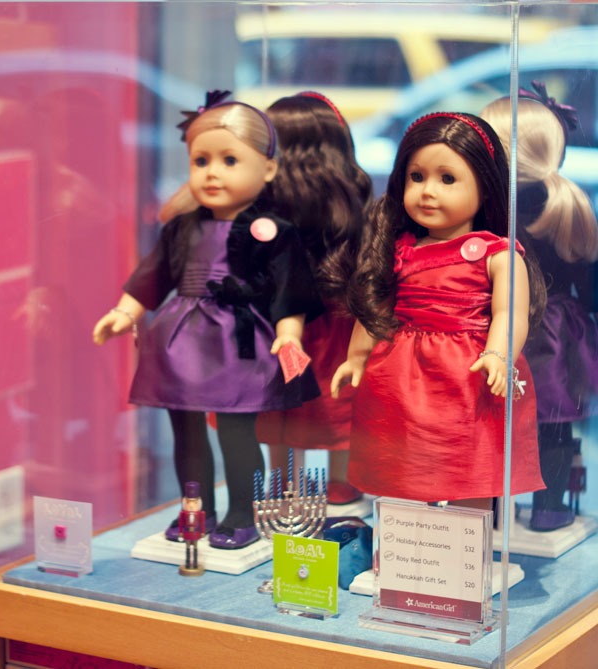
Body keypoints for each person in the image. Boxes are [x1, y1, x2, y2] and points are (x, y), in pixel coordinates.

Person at [93, 90, 324, 549]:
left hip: (239, 342)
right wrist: (124, 311)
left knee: (237, 431)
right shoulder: (181, 229)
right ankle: (195, 508)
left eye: (229, 160)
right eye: (201, 161)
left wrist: (289, 334)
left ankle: (242, 513)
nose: (212, 172)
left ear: (269, 169)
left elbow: (288, 290)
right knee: (186, 431)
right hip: (181, 341)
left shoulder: (274, 232)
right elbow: (153, 276)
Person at [330, 112, 545, 508]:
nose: (428, 192)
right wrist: (356, 357)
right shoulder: (399, 249)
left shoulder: (498, 254)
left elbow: (509, 314)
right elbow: (377, 308)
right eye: (417, 177)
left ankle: (468, 540)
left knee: (470, 462)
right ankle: (412, 537)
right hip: (400, 375)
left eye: (447, 179)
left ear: (486, 186)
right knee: (404, 460)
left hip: (468, 375)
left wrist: (499, 355)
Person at [481, 83, 598, 530]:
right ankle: (549, 508)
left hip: (510, 327)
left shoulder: (497, 209)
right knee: (554, 423)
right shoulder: (570, 205)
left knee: (496, 421)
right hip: (556, 331)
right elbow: (589, 288)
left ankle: (492, 509)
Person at [253, 91, 373, 505]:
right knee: (336, 400)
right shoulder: (349, 200)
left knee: (285, 406)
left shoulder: (268, 203)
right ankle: (338, 478)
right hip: (334, 323)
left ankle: (285, 479)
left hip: (286, 322)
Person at [178, 481, 206, 576]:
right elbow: (181, 524)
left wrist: (202, 532)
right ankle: (187, 563)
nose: (191, 505)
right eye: (189, 502)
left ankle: (195, 563)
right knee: (187, 548)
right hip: (187, 533)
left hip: (196, 533)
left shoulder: (201, 514)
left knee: (195, 548)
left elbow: (202, 524)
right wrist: (180, 532)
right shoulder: (183, 514)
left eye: (194, 503)